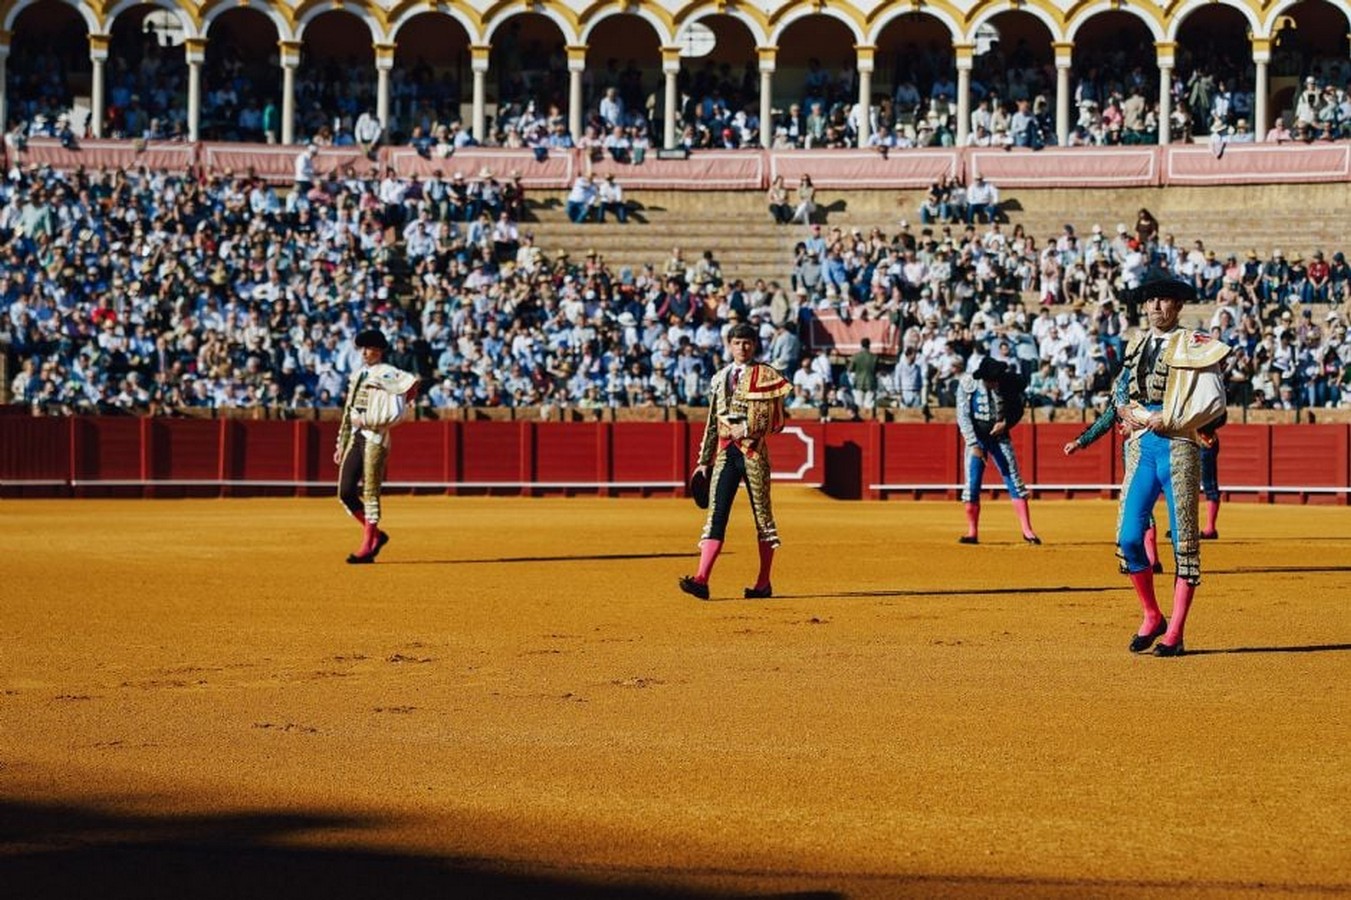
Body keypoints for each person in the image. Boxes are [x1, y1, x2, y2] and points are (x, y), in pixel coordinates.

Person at [1070, 268, 1230, 655]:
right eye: (1150, 300)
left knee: (1184, 543)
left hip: (1178, 445)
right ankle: (1151, 614)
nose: (1156, 306)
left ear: (1177, 304)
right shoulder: (1135, 346)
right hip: (1142, 446)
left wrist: (1173, 419)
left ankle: (1175, 632)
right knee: (1127, 538)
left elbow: (1216, 407)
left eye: (1163, 299)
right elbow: (1118, 399)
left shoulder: (1197, 344)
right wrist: (1100, 427)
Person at [679, 323, 792, 600]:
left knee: (763, 519)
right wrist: (704, 460)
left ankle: (763, 583)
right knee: (716, 516)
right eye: (738, 342)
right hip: (725, 454)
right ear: (729, 345)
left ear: (754, 345)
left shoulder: (765, 374)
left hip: (753, 453)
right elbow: (712, 422)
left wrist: (749, 428)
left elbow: (778, 422)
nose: (742, 348)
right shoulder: (720, 378)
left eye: (747, 343)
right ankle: (701, 579)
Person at [335, 330, 420, 564]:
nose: (364, 352)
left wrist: (375, 419)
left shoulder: (387, 373)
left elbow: (411, 385)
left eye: (369, 348)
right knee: (345, 492)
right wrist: (341, 443)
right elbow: (348, 411)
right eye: (361, 348)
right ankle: (377, 535)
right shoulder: (357, 375)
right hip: (356, 436)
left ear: (379, 351)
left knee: (370, 491)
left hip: (376, 437)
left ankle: (367, 546)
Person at [956, 357, 1040, 545]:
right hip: (976, 439)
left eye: (996, 380)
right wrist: (973, 444)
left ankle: (1027, 530)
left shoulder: (1006, 383)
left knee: (1014, 480)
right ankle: (972, 532)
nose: (994, 384)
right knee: (972, 485)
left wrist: (1006, 423)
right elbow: (963, 416)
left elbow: (1018, 409)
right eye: (991, 381)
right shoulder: (967, 384)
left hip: (999, 437)